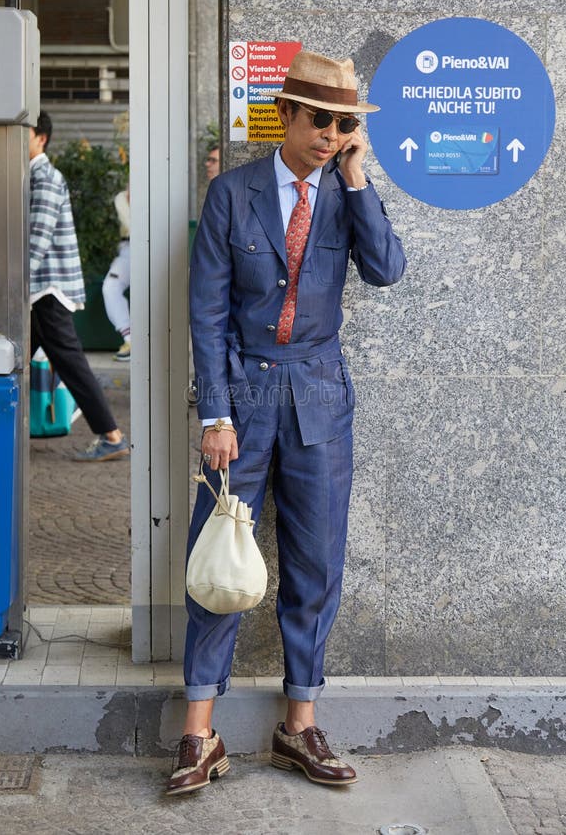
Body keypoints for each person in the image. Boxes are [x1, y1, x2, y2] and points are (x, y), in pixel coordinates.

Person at [167, 51, 406, 796]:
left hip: (322, 401)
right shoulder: (232, 195)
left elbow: (388, 269)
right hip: (243, 398)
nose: (333, 134)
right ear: (286, 116)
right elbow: (206, 312)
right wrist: (216, 414)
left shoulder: (347, 190)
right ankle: (198, 735)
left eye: (345, 124)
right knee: (218, 567)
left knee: (316, 564)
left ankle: (298, 726)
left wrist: (359, 178)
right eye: (323, 120)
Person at [29, 111, 129, 462]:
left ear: (40, 137)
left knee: (71, 364)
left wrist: (11, 288)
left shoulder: (43, 177)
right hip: (42, 290)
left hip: (46, 291)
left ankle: (112, 435)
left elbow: (36, 241)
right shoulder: (34, 175)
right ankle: (110, 434)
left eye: (22, 132)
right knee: (27, 362)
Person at [102, 186, 131, 361]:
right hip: (129, 248)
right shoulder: (121, 198)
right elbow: (129, 225)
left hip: (154, 246)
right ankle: (130, 339)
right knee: (110, 287)